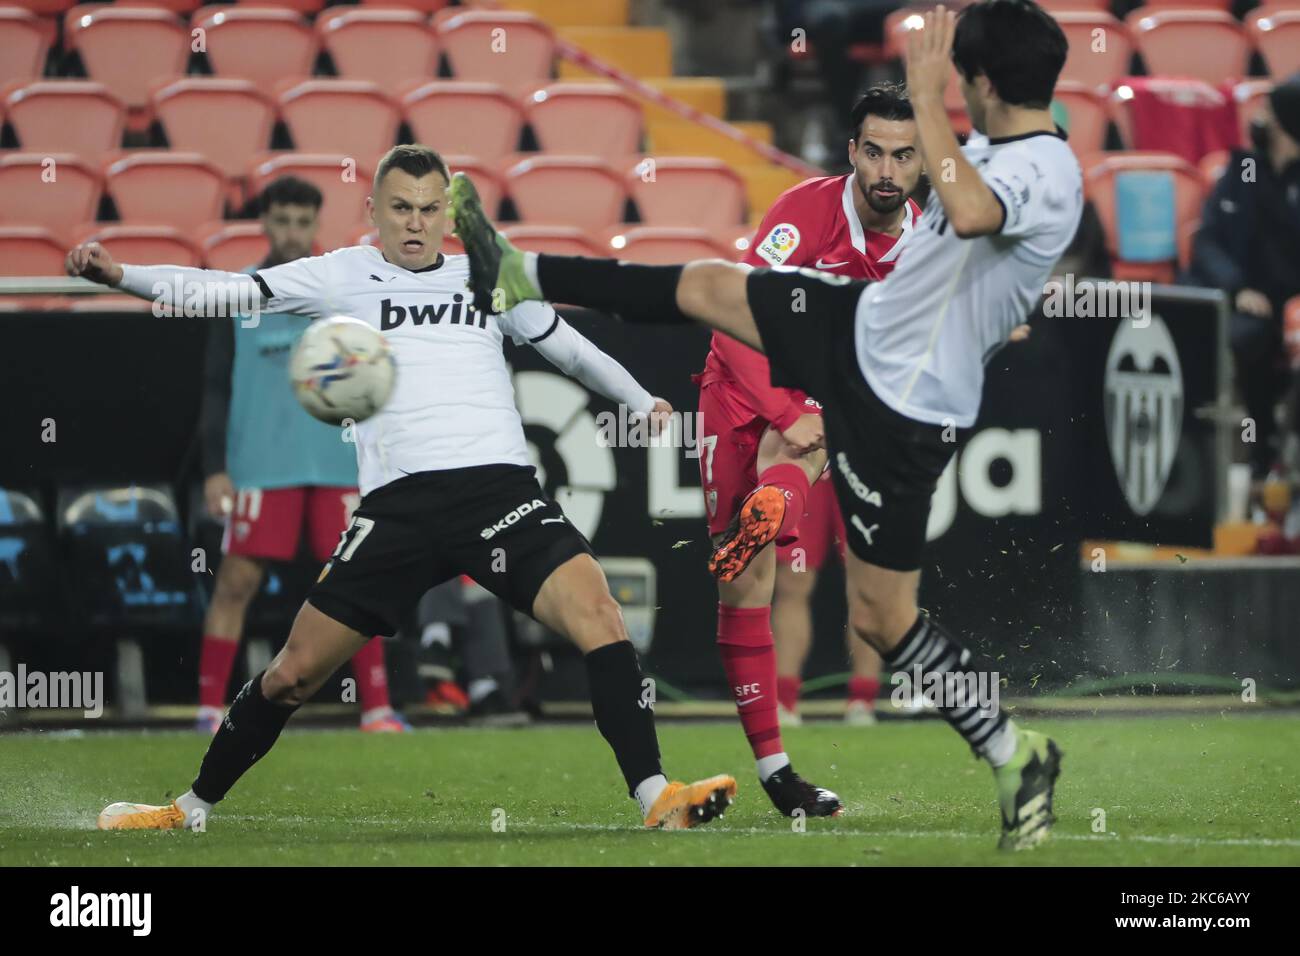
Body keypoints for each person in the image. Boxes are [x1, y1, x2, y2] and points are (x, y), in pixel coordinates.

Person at [451, 0, 1077, 849]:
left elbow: (969, 215)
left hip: (901, 398)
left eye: (963, 76)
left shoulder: (1040, 169)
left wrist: (931, 100)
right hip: (862, 338)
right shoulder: (990, 157)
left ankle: (1002, 739)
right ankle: (520, 270)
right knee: (711, 287)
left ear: (982, 83)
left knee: (881, 616)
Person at [72, 144, 736, 832]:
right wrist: (123, 275)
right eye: (401, 209)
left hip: (501, 494)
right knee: (293, 673)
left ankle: (656, 796)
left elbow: (564, 345)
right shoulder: (338, 276)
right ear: (373, 212)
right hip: (399, 507)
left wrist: (639, 399)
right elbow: (227, 291)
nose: (416, 224)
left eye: (429, 210)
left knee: (600, 616)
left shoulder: (487, 274)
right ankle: (188, 809)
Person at [696, 83, 922, 810]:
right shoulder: (803, 211)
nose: (888, 171)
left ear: (922, 163)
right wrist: (785, 410)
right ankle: (777, 771)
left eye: (904, 156)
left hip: (821, 400)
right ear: (852, 151)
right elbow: (733, 319)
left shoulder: (922, 248)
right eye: (876, 152)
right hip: (736, 385)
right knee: (745, 584)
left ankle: (776, 773)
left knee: (752, 573)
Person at [196, 175, 407, 735]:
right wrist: (215, 467)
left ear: (316, 225)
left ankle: (377, 708)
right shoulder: (238, 293)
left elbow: (376, 379)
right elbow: (216, 386)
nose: (292, 233)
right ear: (265, 222)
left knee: (355, 581)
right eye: (282, 221)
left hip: (337, 464)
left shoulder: (343, 291)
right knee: (236, 581)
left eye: (303, 222)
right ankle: (209, 708)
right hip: (261, 465)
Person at [1185, 71, 1300, 481]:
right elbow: (1208, 241)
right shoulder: (1245, 170)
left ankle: (1269, 456)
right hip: (1238, 297)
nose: (1260, 116)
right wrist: (1237, 286)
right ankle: (1209, 457)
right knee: (1229, 333)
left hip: (1284, 304)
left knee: (1261, 339)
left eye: (1271, 110)